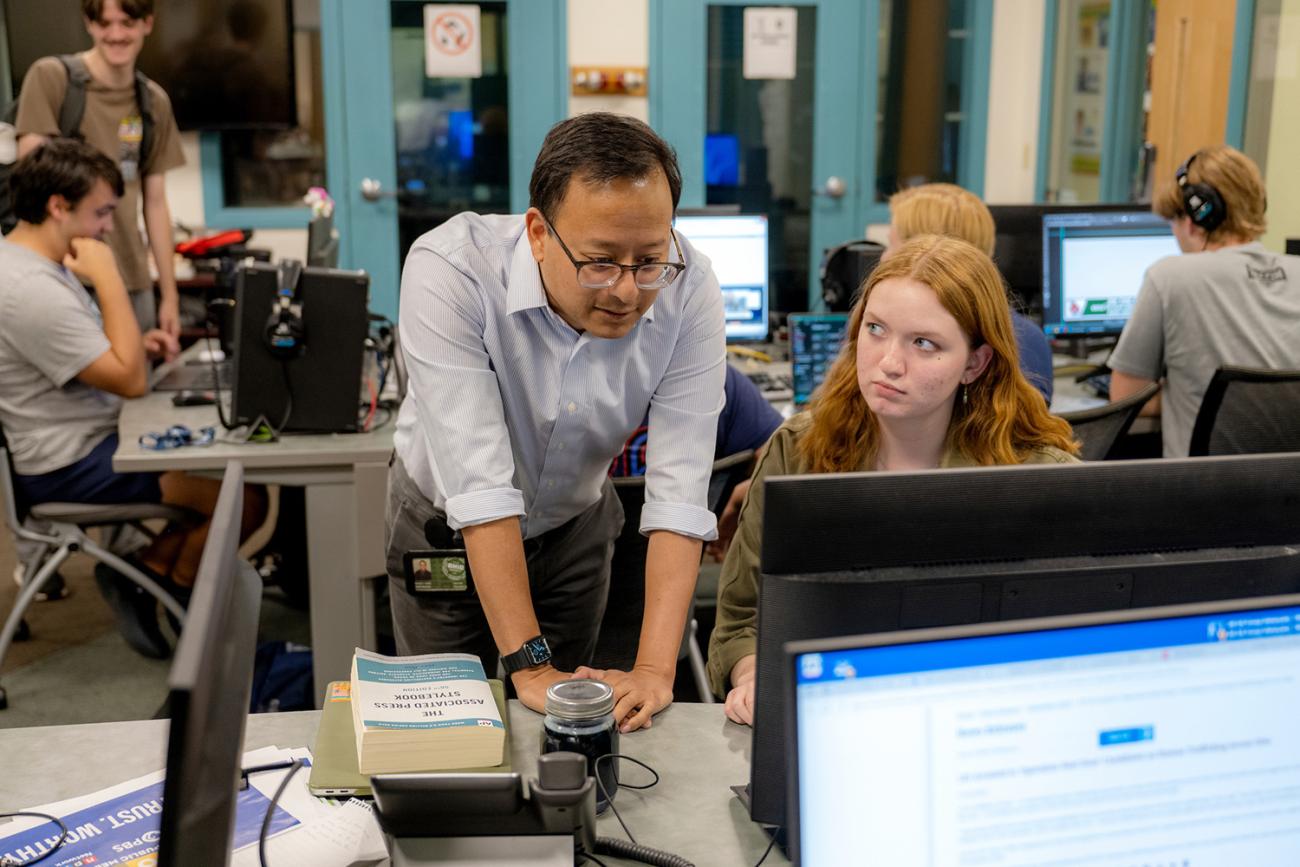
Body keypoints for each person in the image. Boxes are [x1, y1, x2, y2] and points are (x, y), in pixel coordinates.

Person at [389, 112, 726, 733]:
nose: (626, 291)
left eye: (649, 260)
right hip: (447, 526)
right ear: (539, 233)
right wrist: (528, 664)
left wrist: (654, 669)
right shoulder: (452, 270)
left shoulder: (691, 284)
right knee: (446, 734)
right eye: (599, 263)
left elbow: (680, 491)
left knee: (569, 733)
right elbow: (481, 488)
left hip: (575, 528)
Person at [707, 235, 1080, 725]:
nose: (889, 362)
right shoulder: (799, 452)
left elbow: (1076, 641)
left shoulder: (1039, 481)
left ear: (975, 363)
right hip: (829, 714)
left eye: (924, 343)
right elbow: (742, 618)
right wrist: (754, 675)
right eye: (876, 329)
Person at [0, 139, 265, 658]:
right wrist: (109, 276)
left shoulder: (33, 266)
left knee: (237, 474)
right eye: (100, 213)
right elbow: (130, 381)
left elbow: (94, 356)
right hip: (68, 461)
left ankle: (146, 576)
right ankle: (175, 594)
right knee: (245, 499)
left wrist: (132, 344)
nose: (106, 228)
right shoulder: (29, 286)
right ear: (58, 206)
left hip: (89, 435)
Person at [1109, 145, 1300, 457]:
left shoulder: (1170, 276)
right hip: (1286, 493)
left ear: (1196, 216)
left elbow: (1125, 395)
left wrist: (1188, 392)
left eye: (1174, 220)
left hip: (1204, 496)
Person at [14, 0, 185, 337]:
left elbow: (155, 202)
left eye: (127, 22)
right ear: (89, 24)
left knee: (138, 383)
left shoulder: (153, 102)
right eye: (105, 24)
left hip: (132, 279)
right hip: (65, 279)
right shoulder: (52, 78)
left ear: (147, 24)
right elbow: (32, 185)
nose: (116, 34)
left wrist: (170, 295)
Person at [888, 183, 1055, 404]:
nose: (883, 258)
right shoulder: (1031, 337)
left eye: (891, 246)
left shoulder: (886, 329)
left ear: (926, 255)